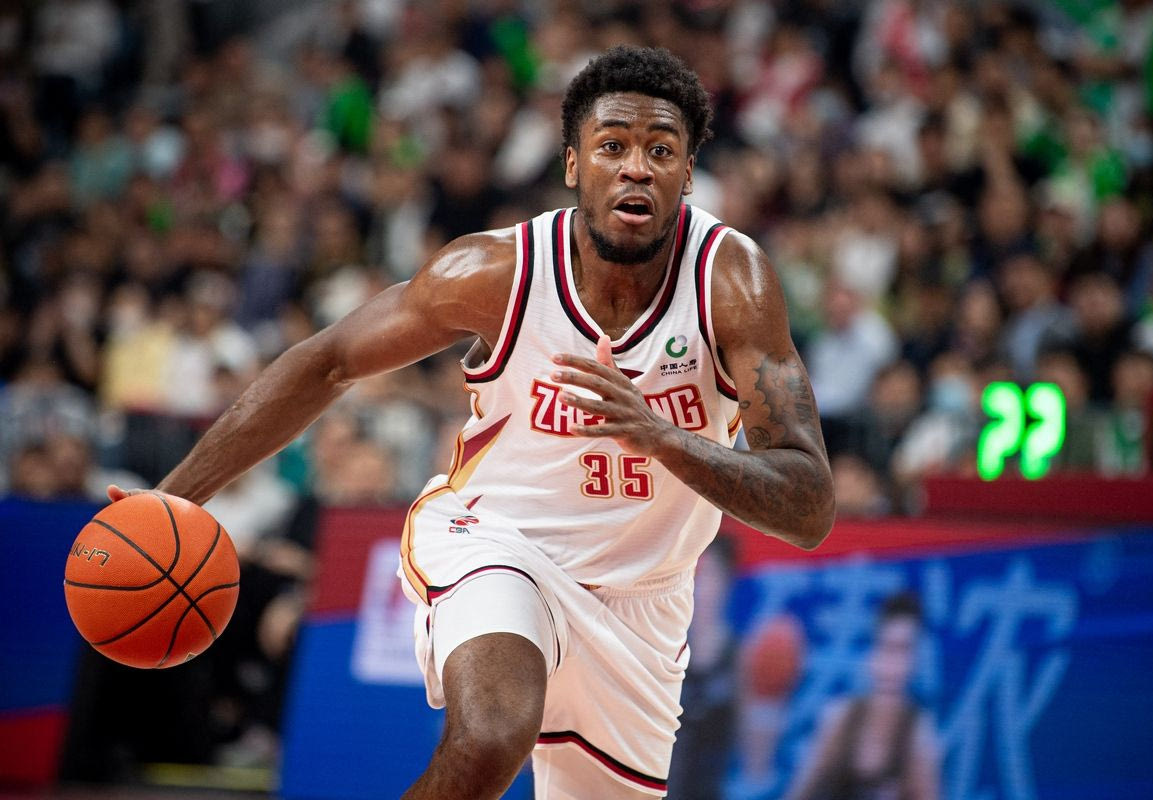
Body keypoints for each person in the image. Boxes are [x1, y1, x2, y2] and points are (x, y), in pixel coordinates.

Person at [109, 45, 834, 799]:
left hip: (645, 600)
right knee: (492, 734)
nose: (636, 168)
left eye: (661, 151)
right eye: (612, 146)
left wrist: (661, 437)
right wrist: (175, 496)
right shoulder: (498, 273)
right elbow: (327, 362)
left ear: (687, 173)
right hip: (498, 539)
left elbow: (809, 505)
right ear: (572, 164)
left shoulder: (731, 283)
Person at [784, 592, 940, 800]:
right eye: (886, 648)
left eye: (904, 651)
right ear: (871, 655)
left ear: (916, 661)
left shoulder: (918, 736)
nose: (894, 665)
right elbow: (798, 793)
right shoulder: (839, 718)